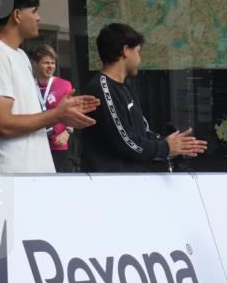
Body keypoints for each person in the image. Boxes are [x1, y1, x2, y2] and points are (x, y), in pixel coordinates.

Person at [0, 0, 99, 174]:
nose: (39, 17)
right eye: (34, 11)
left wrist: (61, 112)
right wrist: (58, 114)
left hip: (28, 174)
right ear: (17, 15)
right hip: (8, 178)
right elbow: (3, 124)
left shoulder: (20, 55)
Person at [80, 24, 206, 172]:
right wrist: (165, 147)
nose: (140, 59)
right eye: (138, 52)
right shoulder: (103, 88)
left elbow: (141, 132)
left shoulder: (124, 87)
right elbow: (126, 142)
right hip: (111, 185)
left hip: (132, 180)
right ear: (126, 51)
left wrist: (168, 143)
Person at [30, 44, 76, 172]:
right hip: (34, 145)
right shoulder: (27, 85)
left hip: (58, 145)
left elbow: (71, 113)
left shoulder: (64, 85)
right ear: (35, 63)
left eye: (53, 63)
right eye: (46, 63)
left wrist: (67, 132)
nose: (50, 66)